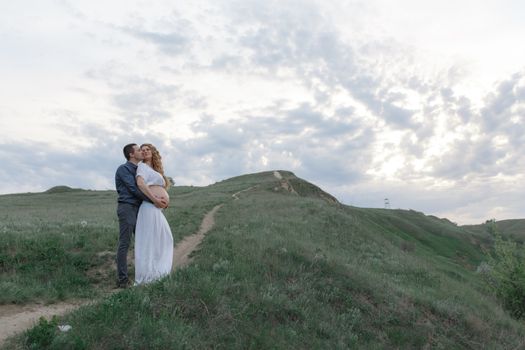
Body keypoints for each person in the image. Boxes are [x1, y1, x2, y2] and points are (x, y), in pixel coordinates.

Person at [115, 144, 167, 288]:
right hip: (128, 208)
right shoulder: (123, 169)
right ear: (131, 154)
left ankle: (147, 272)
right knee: (124, 243)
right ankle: (122, 280)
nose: (141, 152)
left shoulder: (139, 168)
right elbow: (133, 189)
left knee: (144, 241)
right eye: (138, 150)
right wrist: (155, 200)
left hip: (140, 209)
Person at [134, 143, 174, 285]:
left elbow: (160, 188)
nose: (144, 152)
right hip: (149, 207)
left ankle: (158, 272)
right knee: (150, 242)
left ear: (153, 152)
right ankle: (148, 275)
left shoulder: (155, 169)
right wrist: (155, 199)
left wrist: (164, 202)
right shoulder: (142, 167)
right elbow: (141, 184)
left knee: (163, 240)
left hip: (156, 209)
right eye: (142, 150)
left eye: (147, 149)